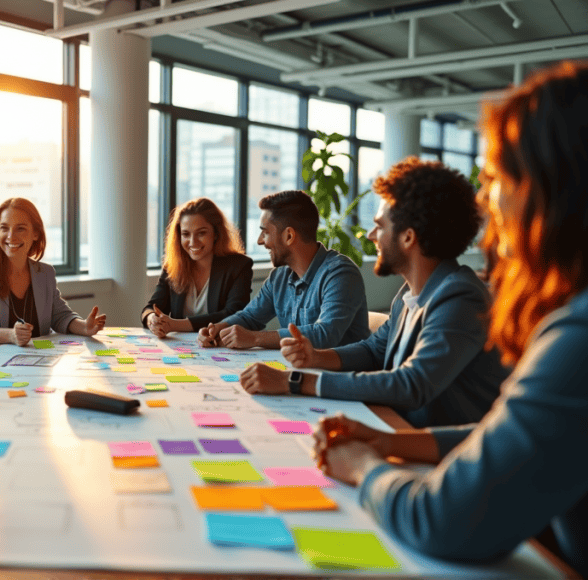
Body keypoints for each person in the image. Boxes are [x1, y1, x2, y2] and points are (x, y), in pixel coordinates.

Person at [310, 61, 588, 576]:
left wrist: (364, 466)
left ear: (552, 186)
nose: (488, 200)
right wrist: (391, 442)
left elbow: (442, 520)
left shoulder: (577, 333)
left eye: (499, 177)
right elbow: (505, 434)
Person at [244, 159, 508, 428]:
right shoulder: (410, 293)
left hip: (438, 452)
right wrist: (317, 357)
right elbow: (374, 350)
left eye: (380, 226)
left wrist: (297, 381)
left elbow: (410, 384)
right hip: (398, 428)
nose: (371, 235)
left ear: (407, 237)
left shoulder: (460, 298)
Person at [198, 190, 369, 350]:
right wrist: (219, 328)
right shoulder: (279, 277)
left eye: (264, 233)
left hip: (338, 378)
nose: (259, 241)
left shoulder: (340, 274)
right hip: (301, 371)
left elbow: (325, 334)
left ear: (289, 236)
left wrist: (254, 338)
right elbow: (249, 317)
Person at [0, 197, 106, 348]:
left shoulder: (45, 273)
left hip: (35, 363)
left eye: (20, 228)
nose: (10, 236)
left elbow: (60, 316)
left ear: (35, 233)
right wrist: (11, 335)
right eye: (4, 228)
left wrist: (84, 327)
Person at [141, 197, 253, 338]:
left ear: (216, 233)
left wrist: (175, 325)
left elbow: (233, 314)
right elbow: (151, 308)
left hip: (220, 346)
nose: (192, 242)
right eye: (186, 234)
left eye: (201, 233)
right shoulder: (173, 266)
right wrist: (152, 320)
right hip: (181, 349)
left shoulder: (239, 266)